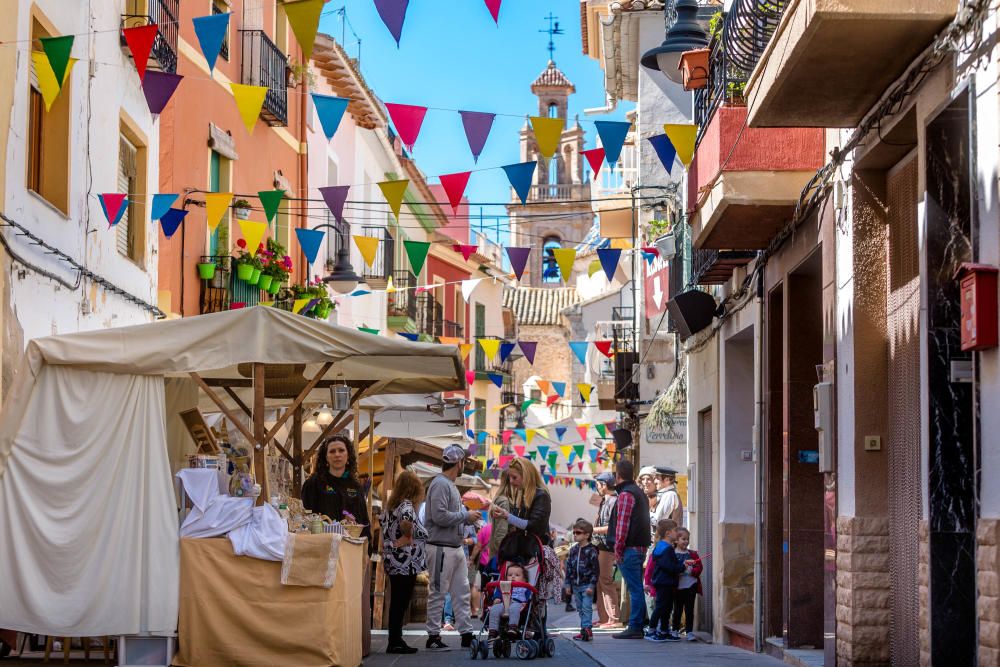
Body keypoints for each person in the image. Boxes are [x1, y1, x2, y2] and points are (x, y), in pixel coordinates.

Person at [424, 444, 485, 651]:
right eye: (463, 463)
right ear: (458, 463)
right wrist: (465, 516)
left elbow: (446, 516)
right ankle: (433, 636)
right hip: (442, 547)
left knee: (462, 591)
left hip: (454, 546)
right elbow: (439, 516)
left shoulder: (447, 484)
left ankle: (466, 634)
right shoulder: (441, 484)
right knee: (439, 592)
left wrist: (467, 520)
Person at [379, 470, 428, 654]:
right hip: (405, 561)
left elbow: (385, 532)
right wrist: (407, 538)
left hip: (393, 560)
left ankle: (395, 639)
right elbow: (406, 524)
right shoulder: (407, 506)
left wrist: (393, 544)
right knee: (401, 601)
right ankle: (395, 641)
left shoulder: (391, 506)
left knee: (397, 602)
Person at [609, 459, 651, 640]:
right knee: (636, 588)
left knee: (634, 589)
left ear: (617, 476)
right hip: (638, 547)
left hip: (630, 548)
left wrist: (618, 549)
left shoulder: (626, 494)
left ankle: (635, 626)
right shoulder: (638, 492)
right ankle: (638, 625)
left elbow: (622, 525)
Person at [301, 435, 370, 540]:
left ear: (348, 455)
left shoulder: (355, 486)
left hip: (351, 546)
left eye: (341, 450)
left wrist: (366, 551)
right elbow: (305, 516)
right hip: (323, 545)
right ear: (326, 457)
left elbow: (364, 520)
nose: (337, 454)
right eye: (332, 451)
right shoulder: (314, 483)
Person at [490, 457, 552, 556]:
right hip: (526, 551)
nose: (511, 481)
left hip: (536, 553)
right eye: (510, 477)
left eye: (514, 477)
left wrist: (507, 516)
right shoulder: (524, 495)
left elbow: (533, 525)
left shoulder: (541, 496)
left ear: (526, 476)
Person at [645, 519, 684, 642]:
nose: (677, 533)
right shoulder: (666, 549)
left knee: (666, 608)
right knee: (661, 607)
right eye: (675, 531)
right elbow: (669, 566)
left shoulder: (663, 547)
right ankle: (651, 631)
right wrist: (682, 567)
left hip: (665, 583)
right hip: (664, 583)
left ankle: (663, 630)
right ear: (668, 533)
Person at [592, 471, 621, 628]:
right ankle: (603, 618)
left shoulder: (613, 501)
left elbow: (613, 528)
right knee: (600, 582)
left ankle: (614, 619)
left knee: (605, 581)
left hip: (607, 547)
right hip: (601, 546)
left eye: (598, 484)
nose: (596, 487)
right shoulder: (606, 501)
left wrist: (593, 530)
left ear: (604, 485)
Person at [563, 518, 600, 642]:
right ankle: (584, 629)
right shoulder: (573, 550)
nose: (575, 535)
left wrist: (592, 585)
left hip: (587, 586)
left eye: (578, 533)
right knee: (580, 608)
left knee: (586, 607)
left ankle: (586, 629)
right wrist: (567, 585)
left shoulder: (592, 551)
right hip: (576, 586)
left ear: (587, 535)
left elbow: (596, 570)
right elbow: (569, 568)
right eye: (574, 533)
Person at [671, 527, 703, 641]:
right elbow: (671, 568)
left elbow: (699, 568)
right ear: (676, 540)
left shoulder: (693, 554)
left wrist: (691, 570)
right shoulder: (672, 554)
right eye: (683, 539)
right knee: (677, 609)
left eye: (687, 539)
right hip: (677, 587)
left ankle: (689, 631)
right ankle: (675, 630)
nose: (686, 541)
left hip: (691, 585)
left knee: (690, 609)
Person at [486, 564, 532, 637]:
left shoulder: (525, 586)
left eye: (517, 575)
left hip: (517, 603)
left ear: (524, 579)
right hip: (503, 603)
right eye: (510, 575)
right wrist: (497, 598)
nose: (513, 577)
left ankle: (513, 627)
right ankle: (493, 630)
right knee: (494, 609)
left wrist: (525, 601)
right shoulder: (503, 585)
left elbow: (528, 595)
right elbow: (498, 592)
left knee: (514, 608)